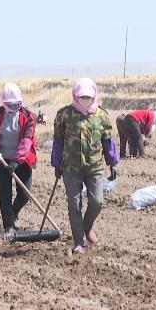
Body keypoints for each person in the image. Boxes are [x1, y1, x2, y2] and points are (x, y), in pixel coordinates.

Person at [51, 78, 119, 254]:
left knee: (97, 201)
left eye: (88, 97)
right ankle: (78, 241)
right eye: (81, 97)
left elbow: (108, 141)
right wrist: (56, 163)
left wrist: (112, 162)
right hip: (70, 167)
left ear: (94, 96)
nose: (85, 100)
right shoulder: (64, 114)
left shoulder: (101, 116)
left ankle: (87, 226)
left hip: (94, 167)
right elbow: (58, 141)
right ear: (75, 96)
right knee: (74, 205)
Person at [0, 83, 37, 233]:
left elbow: (27, 140)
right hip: (2, 160)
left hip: (23, 160)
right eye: (10, 103)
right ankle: (9, 226)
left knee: (25, 194)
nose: (13, 106)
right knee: (5, 194)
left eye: (16, 103)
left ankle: (13, 214)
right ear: (4, 102)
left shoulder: (28, 116)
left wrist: (16, 161)